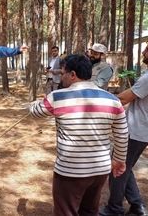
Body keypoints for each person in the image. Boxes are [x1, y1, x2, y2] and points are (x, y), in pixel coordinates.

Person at [29, 54, 128, 216]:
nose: (61, 77)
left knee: (66, 211)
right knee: (89, 211)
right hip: (100, 169)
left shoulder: (58, 97)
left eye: (63, 73)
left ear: (73, 75)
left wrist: (35, 103)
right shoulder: (113, 100)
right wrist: (119, 160)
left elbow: (35, 112)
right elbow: (122, 134)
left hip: (70, 170)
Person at [99, 44, 148, 216]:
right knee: (125, 168)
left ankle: (114, 208)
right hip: (142, 131)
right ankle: (137, 205)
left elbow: (123, 98)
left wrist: (98, 99)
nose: (143, 52)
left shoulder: (147, 78)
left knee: (117, 168)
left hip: (135, 130)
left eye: (147, 50)